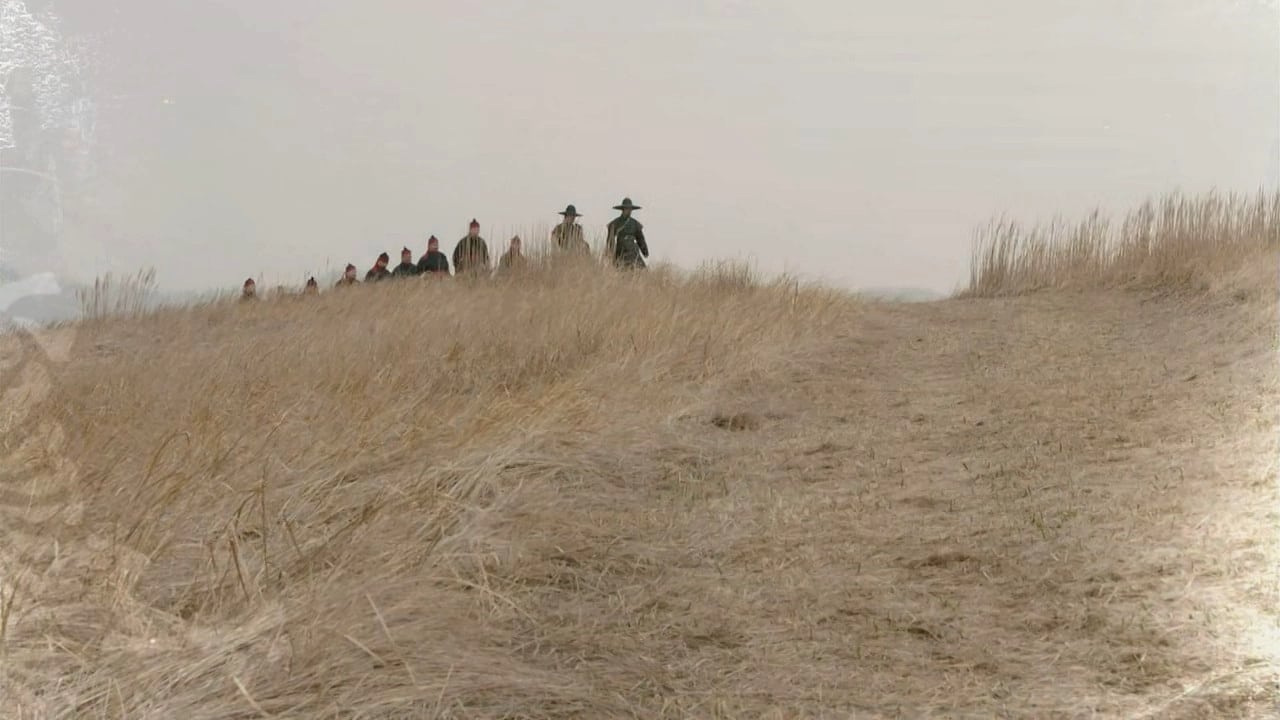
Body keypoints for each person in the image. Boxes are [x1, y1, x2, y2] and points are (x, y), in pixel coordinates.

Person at [604, 197, 648, 269]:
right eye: (627, 209)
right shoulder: (615, 223)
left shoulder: (635, 223)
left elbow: (640, 239)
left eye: (630, 209)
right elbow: (610, 239)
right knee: (620, 268)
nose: (629, 211)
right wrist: (610, 252)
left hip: (633, 251)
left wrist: (645, 251)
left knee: (642, 269)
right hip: (621, 250)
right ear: (623, 209)